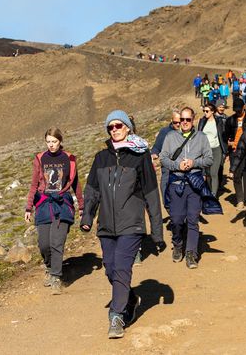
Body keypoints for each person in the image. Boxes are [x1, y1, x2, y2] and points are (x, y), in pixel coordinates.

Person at [81, 110, 165, 339]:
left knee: (122, 266)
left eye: (119, 125)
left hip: (132, 224)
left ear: (128, 127)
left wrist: (157, 231)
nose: (115, 129)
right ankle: (129, 298)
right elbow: (92, 191)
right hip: (106, 225)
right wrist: (87, 217)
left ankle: (117, 316)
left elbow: (151, 193)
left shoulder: (140, 156)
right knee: (110, 267)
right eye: (111, 127)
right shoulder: (101, 158)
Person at [25, 128, 83, 295]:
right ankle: (50, 267)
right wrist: (29, 207)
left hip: (62, 204)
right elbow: (34, 184)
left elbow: (76, 184)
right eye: (48, 142)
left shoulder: (70, 159)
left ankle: (56, 278)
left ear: (60, 141)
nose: (51, 145)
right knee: (44, 244)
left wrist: (81, 206)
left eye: (54, 142)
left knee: (57, 242)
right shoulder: (40, 158)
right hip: (43, 205)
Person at [159, 107, 213, 269]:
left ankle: (191, 253)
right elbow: (163, 158)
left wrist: (194, 163)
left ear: (193, 120)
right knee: (176, 219)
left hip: (195, 184)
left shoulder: (201, 138)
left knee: (192, 219)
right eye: (182, 119)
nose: (184, 122)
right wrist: (177, 165)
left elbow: (209, 159)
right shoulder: (170, 137)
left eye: (188, 120)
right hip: (176, 184)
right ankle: (177, 243)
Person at [225, 98, 246, 210]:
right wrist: (228, 143)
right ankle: (240, 200)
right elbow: (225, 135)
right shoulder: (230, 120)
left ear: (244, 107)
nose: (237, 112)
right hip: (235, 151)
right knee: (236, 176)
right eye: (235, 110)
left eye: (239, 110)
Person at [151, 111, 182, 209]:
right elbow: (156, 147)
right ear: (171, 121)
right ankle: (168, 206)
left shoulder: (187, 132)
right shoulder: (164, 132)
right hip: (167, 167)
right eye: (175, 122)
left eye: (179, 122)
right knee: (164, 186)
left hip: (182, 166)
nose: (178, 124)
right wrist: (154, 153)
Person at [198, 103, 228, 197]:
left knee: (213, 172)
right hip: (205, 151)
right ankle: (209, 191)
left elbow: (223, 136)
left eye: (207, 111)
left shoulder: (219, 121)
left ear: (212, 112)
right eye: (204, 111)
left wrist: (226, 151)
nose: (205, 113)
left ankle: (214, 195)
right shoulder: (202, 121)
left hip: (216, 149)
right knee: (207, 174)